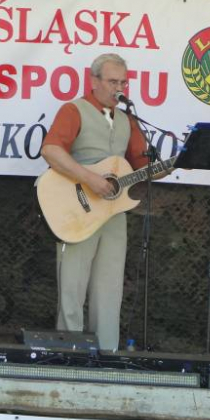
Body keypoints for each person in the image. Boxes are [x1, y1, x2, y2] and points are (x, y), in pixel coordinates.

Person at [40, 53, 149, 351]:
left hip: (114, 212)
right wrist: (90, 178)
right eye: (113, 81)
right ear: (94, 81)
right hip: (76, 210)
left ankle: (107, 354)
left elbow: (143, 165)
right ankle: (69, 353)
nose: (120, 89)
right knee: (72, 286)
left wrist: (179, 163)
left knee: (110, 287)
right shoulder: (74, 110)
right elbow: (50, 150)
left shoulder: (128, 120)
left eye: (123, 82)